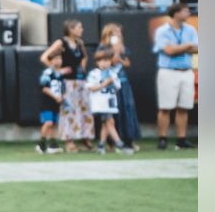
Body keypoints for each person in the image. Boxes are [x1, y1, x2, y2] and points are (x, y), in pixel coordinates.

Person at [39, 20, 92, 152]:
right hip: (67, 82)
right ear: (71, 29)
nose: (82, 30)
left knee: (84, 110)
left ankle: (85, 137)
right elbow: (44, 57)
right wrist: (57, 71)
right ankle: (69, 140)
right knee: (69, 111)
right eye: (79, 27)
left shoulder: (80, 43)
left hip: (80, 81)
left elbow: (84, 57)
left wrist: (82, 69)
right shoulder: (61, 42)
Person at [152, 3, 198, 150]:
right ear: (176, 13)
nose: (188, 13)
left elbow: (196, 48)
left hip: (186, 71)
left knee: (184, 107)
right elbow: (168, 50)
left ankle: (181, 139)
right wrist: (187, 46)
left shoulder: (190, 29)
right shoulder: (162, 30)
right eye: (185, 11)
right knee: (165, 107)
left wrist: (181, 47)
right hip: (168, 71)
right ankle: (162, 138)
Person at [101, 23, 140, 153]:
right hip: (110, 83)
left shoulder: (123, 47)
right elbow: (109, 61)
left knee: (127, 109)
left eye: (119, 32)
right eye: (115, 32)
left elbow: (127, 62)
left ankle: (129, 140)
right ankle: (112, 142)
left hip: (123, 82)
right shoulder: (103, 47)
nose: (118, 35)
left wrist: (121, 57)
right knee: (113, 113)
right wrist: (115, 49)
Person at [85, 49, 122, 154]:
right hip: (100, 102)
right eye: (102, 61)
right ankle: (119, 143)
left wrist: (112, 82)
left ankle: (101, 145)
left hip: (110, 101)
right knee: (110, 122)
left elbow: (118, 87)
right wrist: (104, 84)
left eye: (107, 60)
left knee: (106, 124)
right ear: (97, 62)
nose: (105, 63)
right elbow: (91, 88)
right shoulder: (94, 74)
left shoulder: (112, 73)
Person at [36, 51, 65, 154]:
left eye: (60, 59)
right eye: (56, 59)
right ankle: (41, 144)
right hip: (47, 102)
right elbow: (44, 88)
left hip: (56, 102)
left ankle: (53, 145)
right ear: (50, 61)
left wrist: (62, 97)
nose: (58, 61)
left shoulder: (60, 74)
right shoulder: (47, 73)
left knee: (55, 124)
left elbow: (62, 88)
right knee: (48, 123)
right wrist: (55, 96)